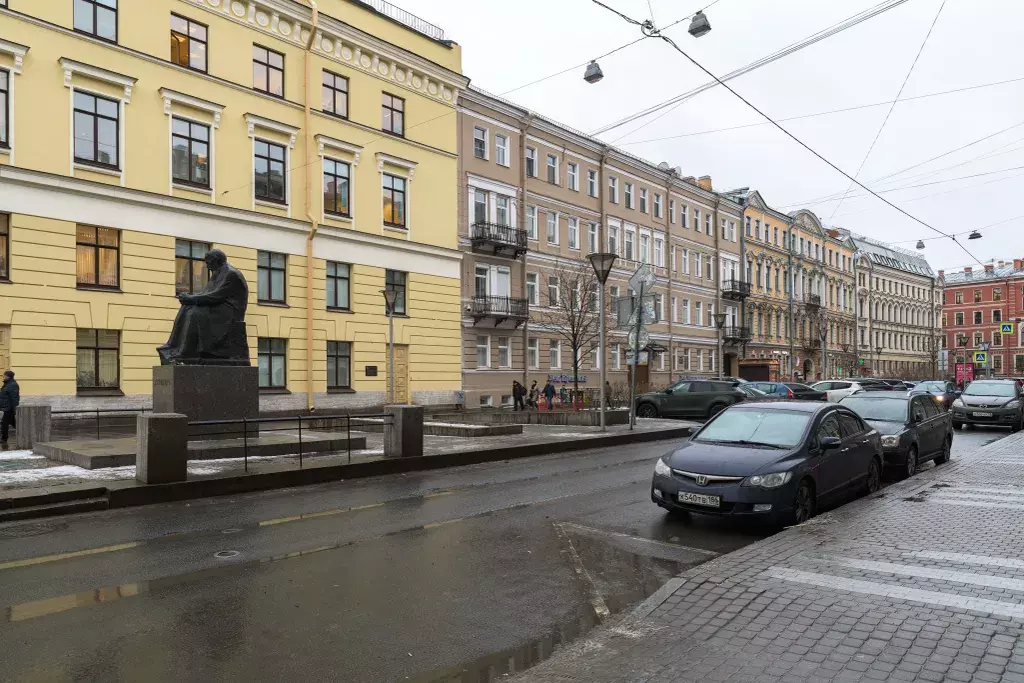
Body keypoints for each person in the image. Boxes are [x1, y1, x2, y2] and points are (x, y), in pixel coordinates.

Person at [157, 249, 250, 365]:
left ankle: (186, 351)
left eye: (208, 262)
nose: (207, 265)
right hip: (219, 306)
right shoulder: (218, 272)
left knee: (195, 312)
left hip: (229, 312)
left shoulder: (232, 274)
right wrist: (189, 297)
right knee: (186, 307)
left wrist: (192, 299)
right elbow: (206, 292)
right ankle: (173, 346)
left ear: (217, 261)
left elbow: (216, 296)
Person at [0, 370, 20, 446]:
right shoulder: (7, 384)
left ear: (8, 376)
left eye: (4, 375)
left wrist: (15, 409)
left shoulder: (13, 385)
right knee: (14, 423)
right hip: (7, 407)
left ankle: (4, 439)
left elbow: (15, 398)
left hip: (9, 408)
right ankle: (25, 432)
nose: (3, 377)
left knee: (4, 423)